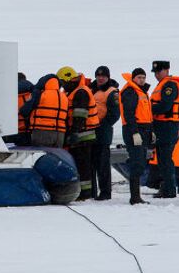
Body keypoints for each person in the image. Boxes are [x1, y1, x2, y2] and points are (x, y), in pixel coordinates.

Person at [57, 66, 99, 200]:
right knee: (83, 165)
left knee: (83, 165)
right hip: (81, 134)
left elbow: (80, 115)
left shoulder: (80, 92)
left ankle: (85, 193)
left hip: (83, 135)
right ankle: (86, 192)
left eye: (63, 82)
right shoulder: (75, 91)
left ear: (69, 80)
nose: (62, 86)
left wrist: (74, 132)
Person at [120, 68, 153, 204]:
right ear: (133, 78)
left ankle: (136, 195)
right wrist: (134, 132)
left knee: (140, 162)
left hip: (144, 130)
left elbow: (147, 114)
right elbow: (129, 114)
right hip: (134, 129)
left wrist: (151, 131)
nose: (141, 80)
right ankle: (135, 196)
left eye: (143, 77)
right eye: (139, 77)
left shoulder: (142, 92)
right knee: (137, 163)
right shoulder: (130, 92)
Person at [90, 66, 120, 200]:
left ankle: (105, 192)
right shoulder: (92, 90)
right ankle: (92, 192)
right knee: (91, 164)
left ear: (108, 77)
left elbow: (114, 115)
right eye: (98, 76)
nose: (101, 78)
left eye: (103, 76)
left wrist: (101, 125)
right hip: (90, 131)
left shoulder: (112, 92)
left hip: (103, 132)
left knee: (103, 164)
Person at [150, 60, 179, 198]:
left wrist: (147, 109)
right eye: (155, 72)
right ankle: (166, 188)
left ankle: (170, 190)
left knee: (166, 159)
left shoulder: (170, 85)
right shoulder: (160, 85)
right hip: (161, 126)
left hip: (168, 126)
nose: (156, 74)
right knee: (161, 159)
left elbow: (165, 106)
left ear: (167, 70)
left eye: (159, 71)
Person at [19, 73, 68, 148]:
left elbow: (24, 111)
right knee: (55, 158)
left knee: (42, 156)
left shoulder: (39, 94)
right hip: (60, 134)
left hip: (42, 132)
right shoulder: (63, 96)